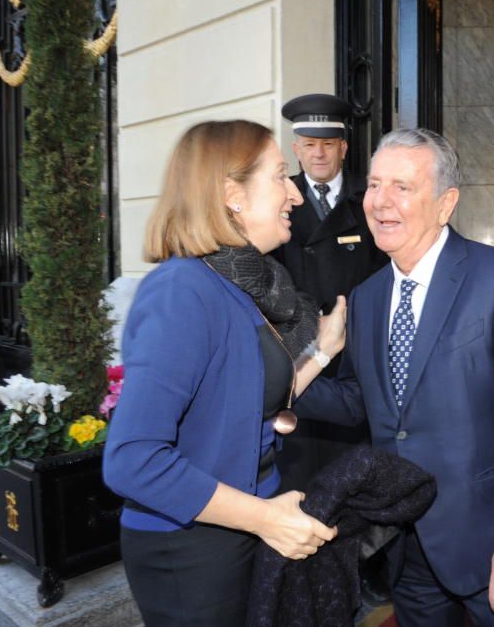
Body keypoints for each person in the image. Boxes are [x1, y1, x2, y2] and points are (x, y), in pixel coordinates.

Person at [296, 128, 494, 626]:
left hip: (492, 538)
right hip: (404, 543)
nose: (380, 202)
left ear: (446, 204)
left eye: (402, 187)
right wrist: (285, 385)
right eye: (375, 185)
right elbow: (361, 400)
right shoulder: (368, 296)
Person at [103, 120, 345, 626]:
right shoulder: (181, 291)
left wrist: (321, 352)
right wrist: (268, 520)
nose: (295, 195)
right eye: (280, 176)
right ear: (232, 195)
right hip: (191, 550)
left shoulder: (237, 283)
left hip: (238, 524)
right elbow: (131, 460)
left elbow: (248, 403)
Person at [272, 93, 387, 491]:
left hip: (358, 355)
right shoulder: (278, 200)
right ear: (296, 149)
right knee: (302, 480)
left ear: (343, 147)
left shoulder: (371, 196)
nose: (318, 154)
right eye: (309, 145)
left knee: (353, 477)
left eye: (327, 144)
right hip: (300, 356)